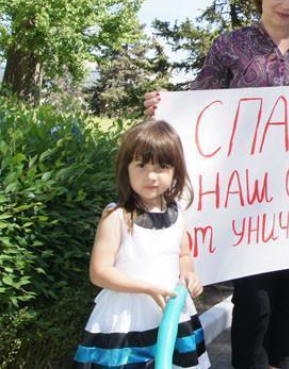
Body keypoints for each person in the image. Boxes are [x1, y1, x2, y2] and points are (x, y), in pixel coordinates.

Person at [146, 0, 289, 369]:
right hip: (249, 204)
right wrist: (166, 106)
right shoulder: (231, 46)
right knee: (256, 300)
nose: (286, 3)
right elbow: (198, 103)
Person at [74, 120, 210, 368]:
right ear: (126, 168)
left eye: (162, 167)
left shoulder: (177, 212)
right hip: (126, 320)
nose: (151, 176)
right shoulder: (117, 216)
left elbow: (183, 253)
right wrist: (147, 288)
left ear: (175, 170)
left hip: (170, 312)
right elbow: (99, 272)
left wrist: (189, 273)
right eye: (141, 165)